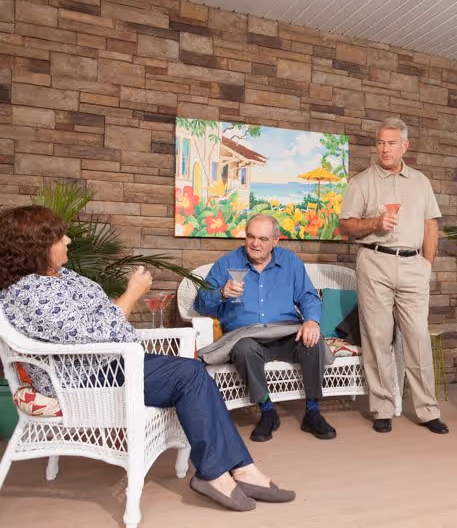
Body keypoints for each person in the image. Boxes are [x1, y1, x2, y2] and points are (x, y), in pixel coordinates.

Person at [0, 205, 295, 512]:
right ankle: (220, 473)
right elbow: (95, 331)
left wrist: (120, 311)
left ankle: (238, 469)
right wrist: (132, 293)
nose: (69, 241)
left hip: (111, 362)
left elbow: (97, 319)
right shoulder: (28, 292)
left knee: (192, 372)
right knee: (190, 375)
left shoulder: (58, 276)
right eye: (60, 237)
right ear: (37, 246)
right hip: (85, 377)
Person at [339, 117, 448, 434]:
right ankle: (383, 407)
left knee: (417, 338)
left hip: (414, 265)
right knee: (377, 339)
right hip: (375, 264)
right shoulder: (361, 182)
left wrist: (427, 264)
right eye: (380, 142)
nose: (384, 149)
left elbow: (431, 224)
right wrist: (374, 223)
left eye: (391, 143)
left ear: (405, 146)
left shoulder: (421, 182)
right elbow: (345, 226)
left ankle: (427, 410)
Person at [194, 214, 336, 442]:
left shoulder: (290, 262)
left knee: (313, 341)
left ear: (275, 240)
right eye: (250, 237)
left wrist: (311, 320)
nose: (255, 244)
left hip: (285, 332)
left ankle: (312, 411)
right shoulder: (226, 264)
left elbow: (309, 296)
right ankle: (267, 412)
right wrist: (221, 293)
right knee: (242, 348)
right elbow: (200, 304)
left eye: (262, 238)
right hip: (247, 335)